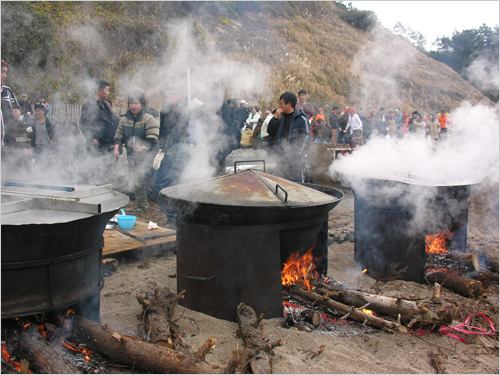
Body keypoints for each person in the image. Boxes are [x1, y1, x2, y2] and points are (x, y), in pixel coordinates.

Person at [113, 90, 160, 214]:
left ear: (142, 104)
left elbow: (153, 137)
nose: (133, 106)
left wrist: (144, 147)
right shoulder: (124, 119)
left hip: (148, 156)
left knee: (151, 181)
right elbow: (119, 136)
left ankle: (160, 205)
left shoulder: (149, 118)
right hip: (132, 156)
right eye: (131, 103)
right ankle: (142, 207)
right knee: (136, 179)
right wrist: (117, 148)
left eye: (136, 103)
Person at [152, 89, 190, 228]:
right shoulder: (182, 103)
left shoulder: (171, 103)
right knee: (176, 186)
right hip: (182, 148)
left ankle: (174, 219)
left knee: (160, 185)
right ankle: (179, 219)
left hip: (174, 149)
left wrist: (162, 149)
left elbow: (168, 130)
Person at [267, 91, 311, 182]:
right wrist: (275, 118)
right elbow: (271, 132)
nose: (279, 106)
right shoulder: (281, 117)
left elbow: (306, 138)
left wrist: (297, 155)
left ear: (289, 104)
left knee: (297, 186)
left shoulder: (301, 118)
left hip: (295, 162)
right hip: (280, 159)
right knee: (281, 185)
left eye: (281, 103)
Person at [79, 80, 117, 156]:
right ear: (100, 91)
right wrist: (92, 139)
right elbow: (83, 123)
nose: (108, 93)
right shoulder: (89, 105)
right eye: (107, 90)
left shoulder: (104, 105)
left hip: (108, 145)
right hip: (97, 147)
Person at [1, 59, 22, 149]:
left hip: (9, 143)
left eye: (6, 73)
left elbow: (18, 112)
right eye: (2, 72)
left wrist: (18, 114)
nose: (5, 76)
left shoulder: (8, 91)